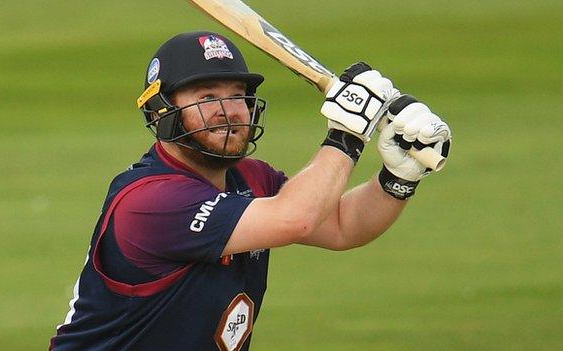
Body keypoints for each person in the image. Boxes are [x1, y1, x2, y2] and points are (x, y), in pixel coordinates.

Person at [49, 31, 451, 351]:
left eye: (237, 95)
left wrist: (399, 177)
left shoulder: (250, 178)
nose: (229, 110)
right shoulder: (149, 202)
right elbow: (297, 217)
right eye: (207, 97)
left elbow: (343, 225)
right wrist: (346, 135)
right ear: (161, 113)